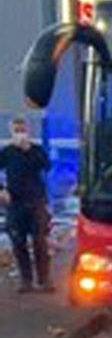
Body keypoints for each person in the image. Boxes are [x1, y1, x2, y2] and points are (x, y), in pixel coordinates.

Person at [0, 118, 53, 292]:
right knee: (18, 242)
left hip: (36, 200)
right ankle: (26, 280)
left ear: (28, 131)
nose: (20, 133)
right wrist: (1, 190)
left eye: (22, 130)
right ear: (11, 132)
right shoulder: (7, 152)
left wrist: (29, 149)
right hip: (15, 202)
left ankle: (44, 279)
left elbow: (47, 166)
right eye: (16, 130)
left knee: (40, 241)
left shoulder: (37, 150)